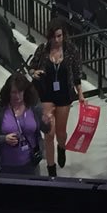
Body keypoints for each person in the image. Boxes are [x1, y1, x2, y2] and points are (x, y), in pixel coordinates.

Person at [30, 22, 81, 177]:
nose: (57, 40)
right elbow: (31, 66)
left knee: (60, 132)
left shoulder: (71, 50)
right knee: (49, 133)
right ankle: (51, 168)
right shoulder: (43, 49)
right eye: (54, 37)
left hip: (64, 95)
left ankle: (62, 147)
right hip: (46, 94)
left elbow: (77, 73)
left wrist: (80, 93)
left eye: (60, 36)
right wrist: (34, 72)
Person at [0, 73, 49, 176]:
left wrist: (47, 122)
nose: (17, 96)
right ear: (8, 92)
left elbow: (46, 130)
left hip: (31, 163)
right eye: (14, 92)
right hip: (7, 166)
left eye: (20, 92)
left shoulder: (34, 106)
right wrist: (4, 138)